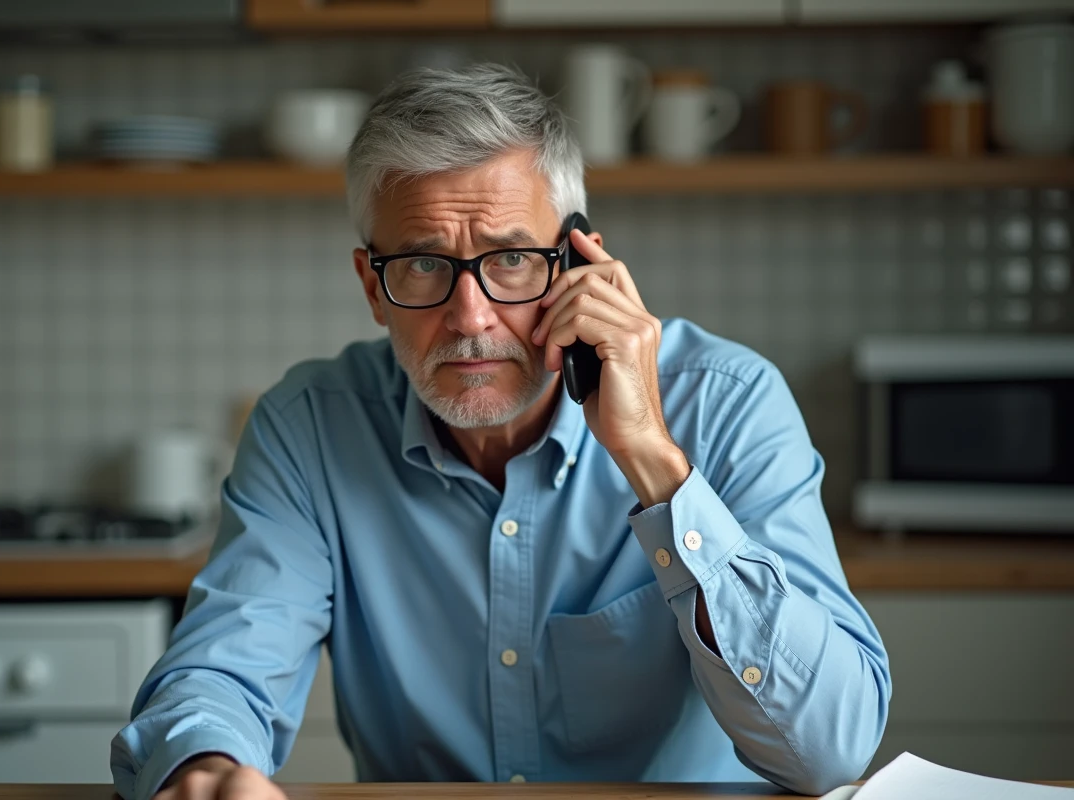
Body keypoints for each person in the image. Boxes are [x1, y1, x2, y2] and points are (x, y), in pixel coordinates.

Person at [110, 63, 890, 800]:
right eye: (422, 264)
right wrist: (209, 766)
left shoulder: (728, 403)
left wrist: (653, 460)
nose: (471, 317)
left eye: (512, 258)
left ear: (579, 259)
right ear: (370, 288)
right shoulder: (309, 427)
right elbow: (225, 668)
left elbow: (828, 751)